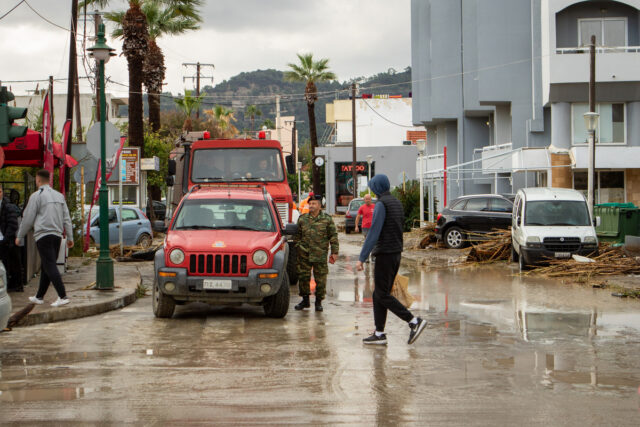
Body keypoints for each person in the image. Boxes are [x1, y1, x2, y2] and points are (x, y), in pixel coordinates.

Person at [356, 174, 427, 345]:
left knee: (381, 294)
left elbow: (374, 232)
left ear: (377, 187)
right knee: (379, 294)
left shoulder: (381, 205)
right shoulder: (396, 203)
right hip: (395, 252)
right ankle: (379, 333)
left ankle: (413, 321)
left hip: (385, 254)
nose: (371, 189)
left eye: (372, 186)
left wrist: (362, 257)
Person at [16, 170, 74, 307]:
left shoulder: (37, 196)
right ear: (49, 180)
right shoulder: (59, 196)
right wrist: (70, 237)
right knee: (46, 265)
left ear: (38, 180)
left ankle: (62, 295)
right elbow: (67, 218)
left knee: (50, 265)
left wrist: (20, 236)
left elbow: (28, 218)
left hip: (43, 235)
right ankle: (39, 296)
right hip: (57, 236)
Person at [294, 194, 339, 312]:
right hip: (304, 254)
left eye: (314, 204)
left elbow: (333, 236)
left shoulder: (327, 219)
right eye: (310, 204)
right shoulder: (302, 219)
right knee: (303, 278)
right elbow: (297, 236)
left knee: (321, 279)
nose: (311, 206)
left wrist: (334, 252)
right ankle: (305, 300)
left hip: (320, 254)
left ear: (320, 206)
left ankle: (318, 302)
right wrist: (298, 246)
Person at [0, 186, 21, 291]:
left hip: (6, 241)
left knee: (8, 265)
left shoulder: (8, 207)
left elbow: (13, 225)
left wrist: (5, 239)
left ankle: (11, 285)